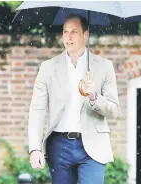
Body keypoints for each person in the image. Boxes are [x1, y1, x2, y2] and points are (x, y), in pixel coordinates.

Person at [28, 14, 120, 184]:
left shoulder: (104, 66)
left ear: (86, 35)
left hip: (93, 146)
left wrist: (94, 96)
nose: (68, 37)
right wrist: (34, 148)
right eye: (65, 32)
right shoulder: (48, 68)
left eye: (74, 32)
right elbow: (37, 110)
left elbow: (114, 109)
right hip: (59, 146)